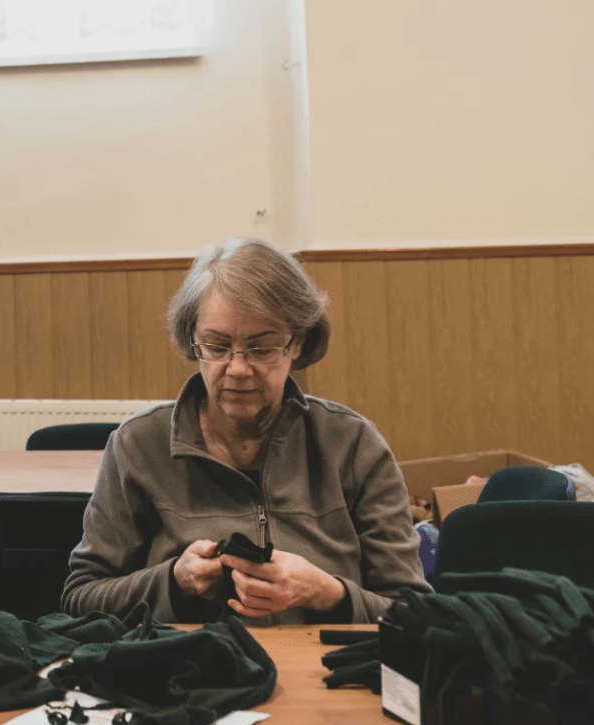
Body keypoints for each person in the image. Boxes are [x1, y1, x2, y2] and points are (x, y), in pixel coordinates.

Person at [62, 238, 430, 624]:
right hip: (189, 675)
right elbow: (81, 598)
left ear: (297, 344)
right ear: (193, 343)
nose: (237, 368)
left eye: (262, 348)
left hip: (327, 674)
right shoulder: (137, 445)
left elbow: (416, 616)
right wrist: (173, 581)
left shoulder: (353, 445)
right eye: (217, 347)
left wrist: (328, 594)